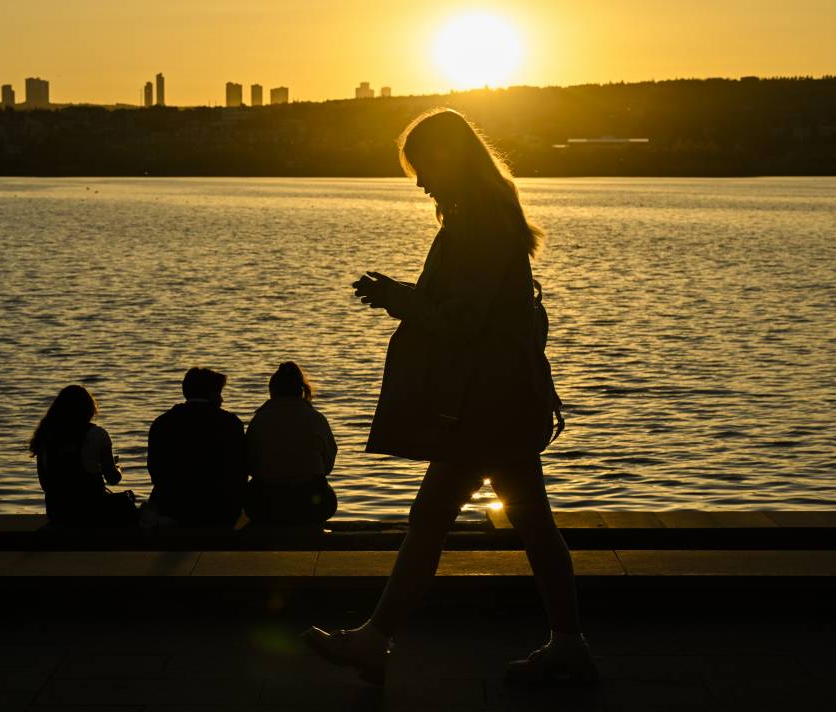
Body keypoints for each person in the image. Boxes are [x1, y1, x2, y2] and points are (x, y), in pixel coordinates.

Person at [302, 108, 594, 686]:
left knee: (444, 519)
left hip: (486, 404)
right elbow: (469, 306)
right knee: (519, 523)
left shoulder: (480, 224)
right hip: (495, 398)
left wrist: (398, 301)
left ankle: (378, 639)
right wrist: (402, 294)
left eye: (423, 167)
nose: (419, 182)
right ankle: (566, 645)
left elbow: (463, 321)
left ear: (448, 159)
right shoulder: (478, 218)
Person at [146, 367, 247, 527]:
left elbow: (155, 470)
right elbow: (240, 470)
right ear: (212, 394)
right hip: (219, 508)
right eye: (220, 393)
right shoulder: (230, 423)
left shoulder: (162, 423)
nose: (222, 400)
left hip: (172, 506)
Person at [29, 384, 138, 527]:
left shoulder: (45, 437)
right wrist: (117, 468)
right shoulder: (97, 435)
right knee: (127, 502)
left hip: (58, 512)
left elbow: (45, 485)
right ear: (89, 409)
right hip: (91, 512)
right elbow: (112, 479)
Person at [244, 362, 338, 527]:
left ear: (272, 390)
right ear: (301, 391)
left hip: (265, 505)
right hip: (311, 503)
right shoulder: (316, 419)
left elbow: (249, 465)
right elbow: (327, 466)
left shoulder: (259, 420)